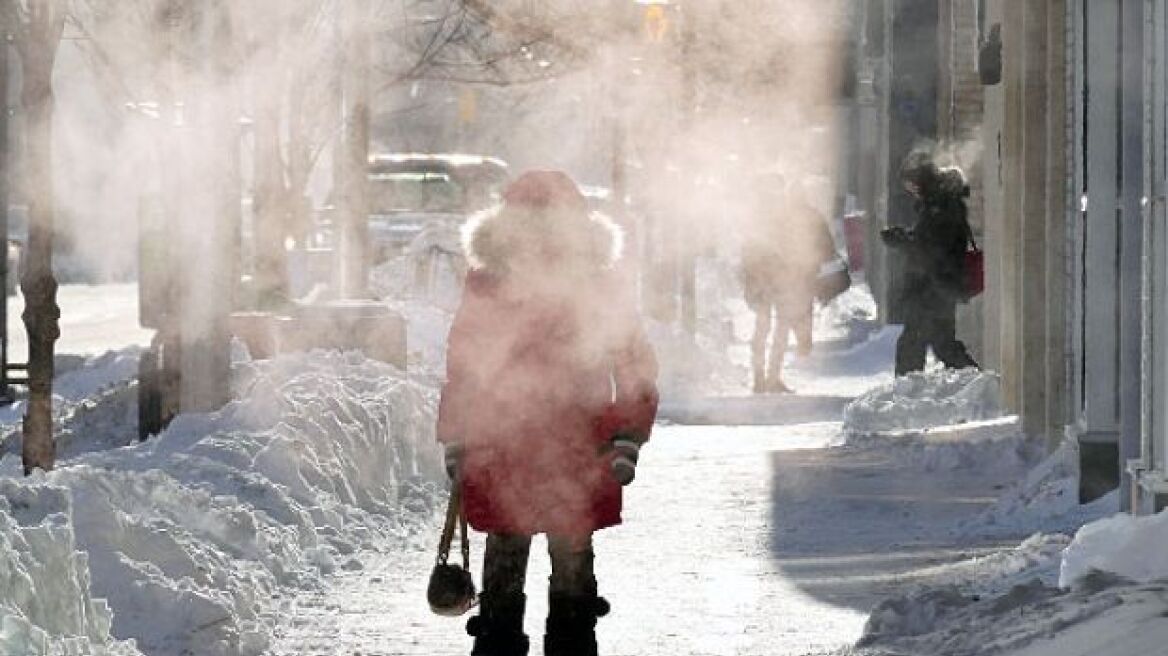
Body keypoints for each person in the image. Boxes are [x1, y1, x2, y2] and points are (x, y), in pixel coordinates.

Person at [437, 170, 659, 656]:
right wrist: (627, 435)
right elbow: (467, 365)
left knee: (523, 565)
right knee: (562, 566)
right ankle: (552, 644)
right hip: (546, 444)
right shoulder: (582, 283)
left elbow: (463, 365)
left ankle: (515, 645)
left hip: (538, 445)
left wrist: (458, 436)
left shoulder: (571, 285)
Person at [882, 153, 979, 376]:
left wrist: (902, 241)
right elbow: (929, 241)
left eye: (911, 184)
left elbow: (932, 250)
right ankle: (978, 382)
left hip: (934, 287)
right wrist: (906, 237)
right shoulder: (939, 203)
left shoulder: (941, 206)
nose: (911, 191)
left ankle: (906, 390)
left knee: (915, 345)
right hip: (937, 286)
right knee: (942, 345)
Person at [740, 178, 835, 394]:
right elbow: (827, 248)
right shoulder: (807, 216)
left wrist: (750, 279)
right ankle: (771, 378)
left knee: (764, 327)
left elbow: (749, 250)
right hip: (786, 279)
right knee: (779, 328)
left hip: (768, 278)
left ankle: (760, 378)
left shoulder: (771, 217)